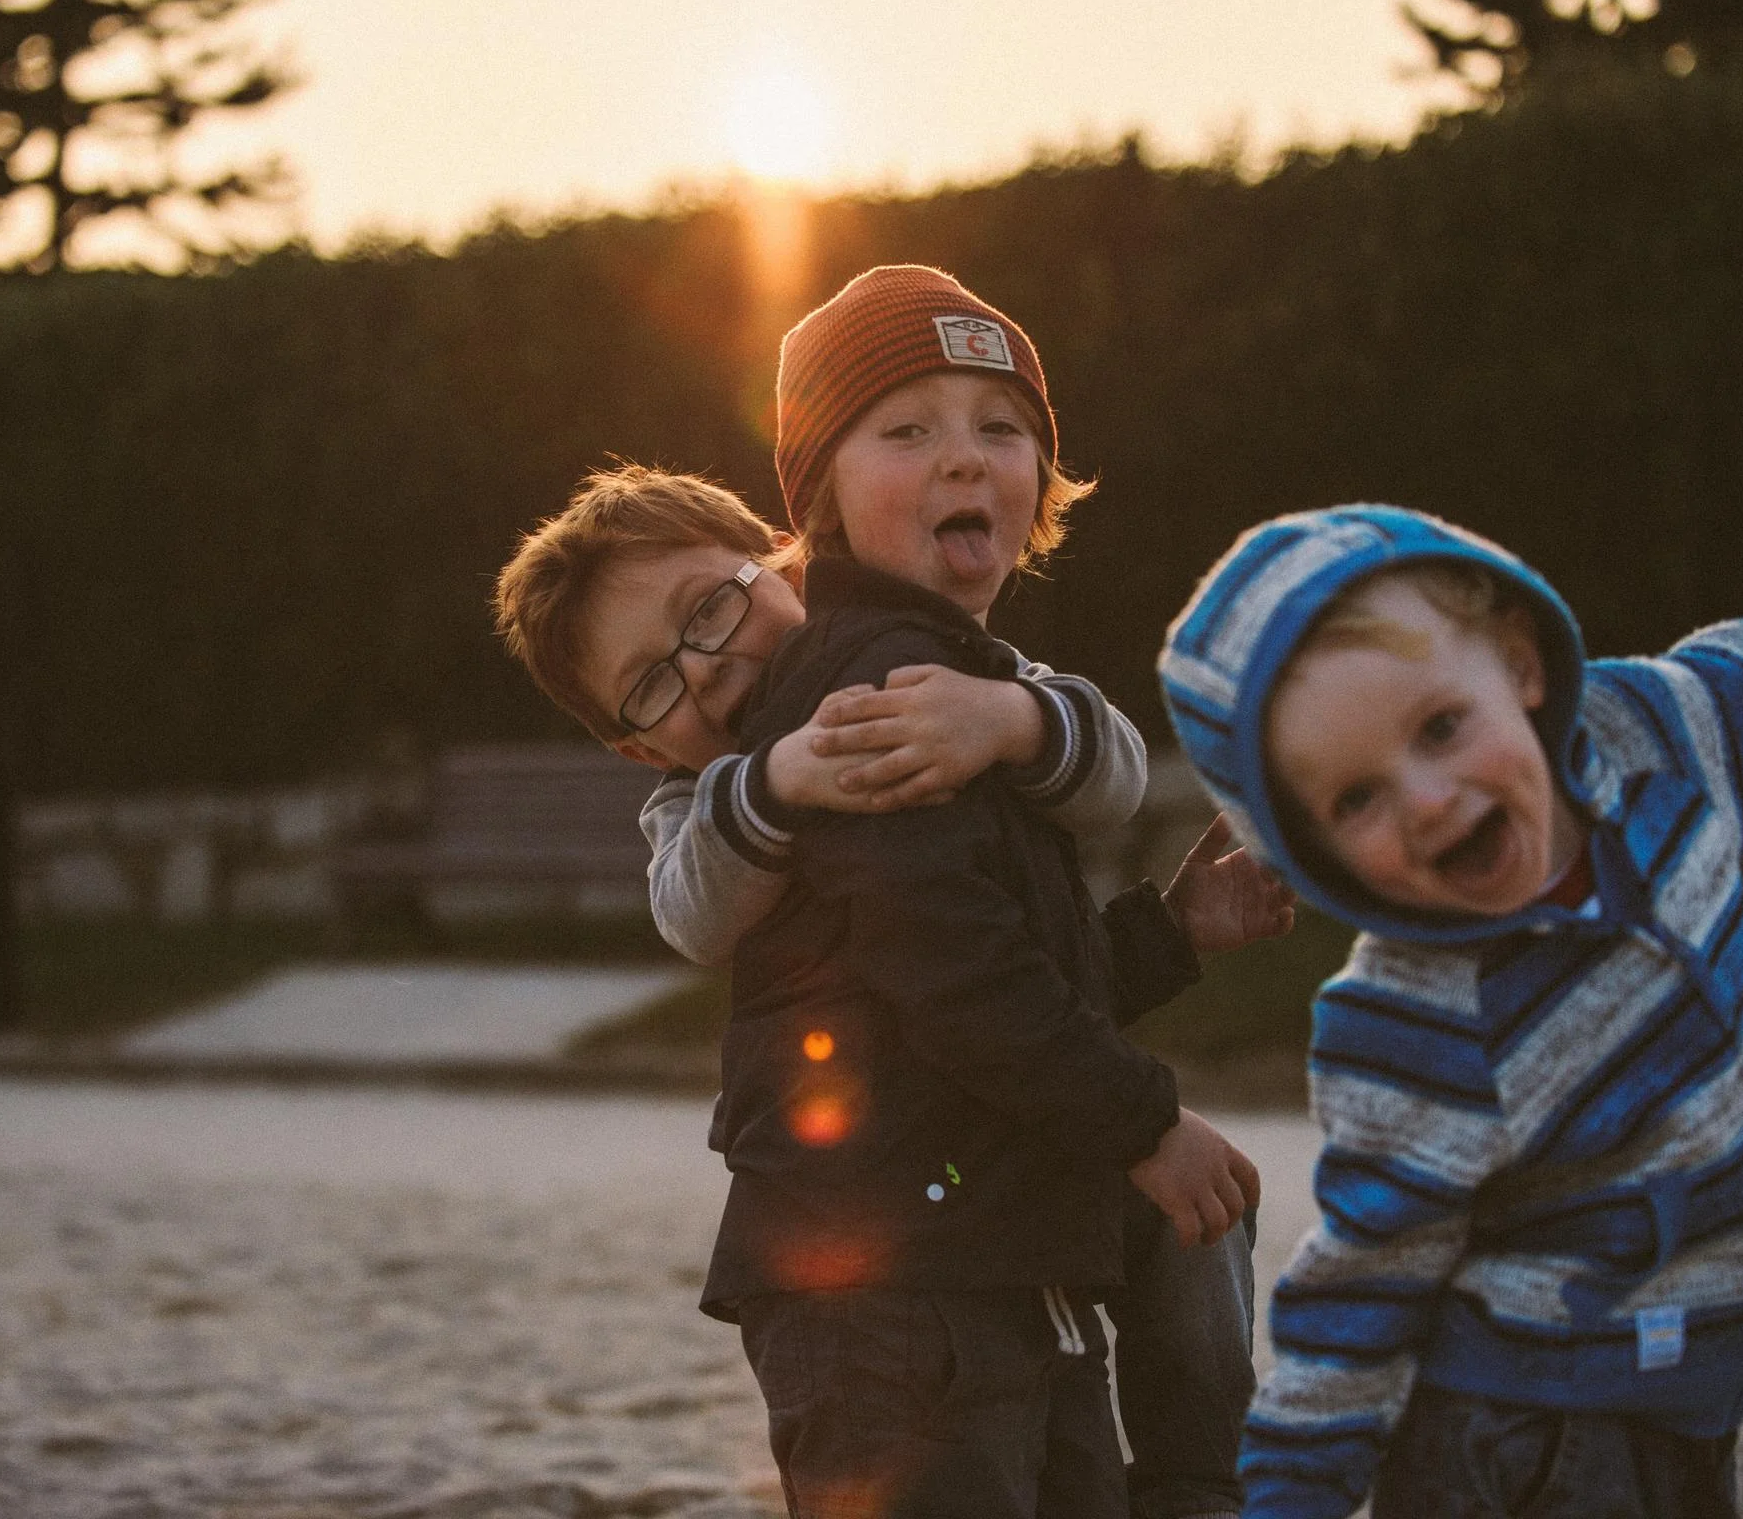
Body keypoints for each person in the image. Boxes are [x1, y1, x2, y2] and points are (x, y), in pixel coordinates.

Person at [496, 460, 1274, 1518]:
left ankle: (1202, 1488)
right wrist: (774, 780)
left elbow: (1021, 947)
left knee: (1195, 1231)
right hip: (869, 1284)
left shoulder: (922, 690)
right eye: (652, 685)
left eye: (711, 608)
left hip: (1005, 1234)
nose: (706, 670)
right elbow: (700, 912)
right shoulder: (715, 802)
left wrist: (1012, 722)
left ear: (783, 563)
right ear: (637, 745)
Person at [1155, 504, 1743, 1519]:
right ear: (1309, 850)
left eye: (1442, 727)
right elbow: (1360, 1289)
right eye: (1356, 799)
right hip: (1530, 1430)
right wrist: (1292, 1494)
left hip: (1690, 1386)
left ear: (1520, 665)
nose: (1426, 799)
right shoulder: (1418, 1018)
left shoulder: (1667, 737)